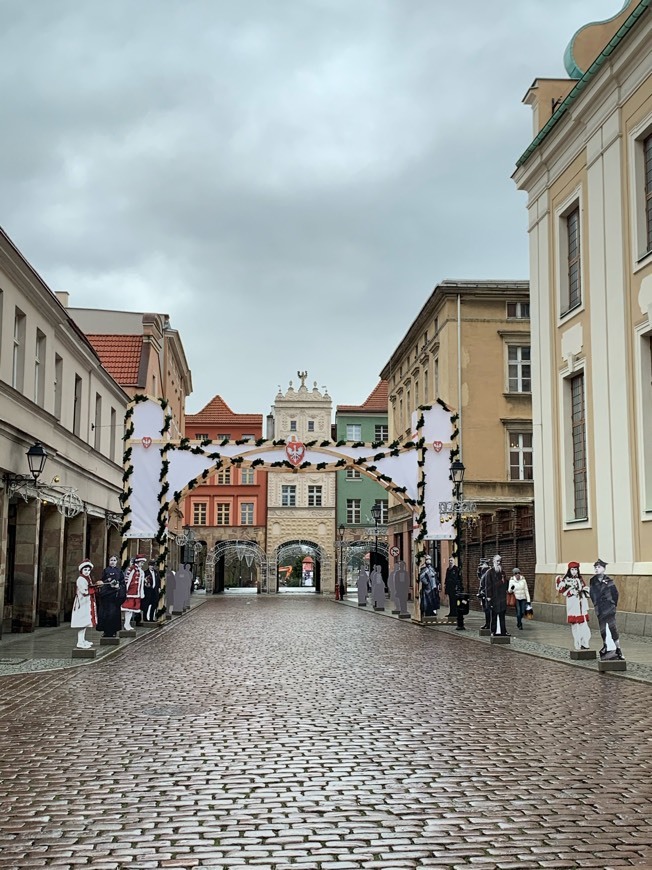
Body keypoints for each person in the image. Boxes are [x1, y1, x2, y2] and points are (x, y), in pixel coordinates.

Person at [589, 558, 624, 660]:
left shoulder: (609, 580)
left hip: (609, 609)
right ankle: (607, 648)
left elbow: (615, 593)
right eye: (595, 567)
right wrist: (596, 604)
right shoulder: (593, 581)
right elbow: (592, 594)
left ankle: (618, 649)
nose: (596, 569)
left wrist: (613, 605)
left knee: (613, 629)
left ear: (604, 569)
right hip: (600, 609)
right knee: (603, 630)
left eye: (599, 567)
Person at [555, 561, 591, 650]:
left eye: (576, 569)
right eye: (572, 569)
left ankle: (585, 643)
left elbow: (584, 588)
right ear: (569, 570)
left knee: (584, 624)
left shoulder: (580, 579)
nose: (574, 571)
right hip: (573, 603)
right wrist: (571, 591)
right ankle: (577, 644)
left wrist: (585, 591)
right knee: (575, 624)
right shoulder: (566, 580)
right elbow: (562, 590)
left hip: (581, 604)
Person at [96, 555, 126, 638]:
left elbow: (123, 583)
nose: (112, 562)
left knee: (114, 614)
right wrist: (103, 584)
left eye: (114, 560)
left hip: (115, 597)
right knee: (106, 614)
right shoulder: (105, 570)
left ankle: (113, 631)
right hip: (106, 596)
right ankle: (106, 631)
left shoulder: (119, 571)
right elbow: (102, 581)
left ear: (116, 562)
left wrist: (119, 586)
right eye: (111, 560)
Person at [71, 560, 97, 648]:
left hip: (86, 603)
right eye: (85, 569)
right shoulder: (81, 579)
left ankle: (82, 640)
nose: (87, 572)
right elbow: (84, 591)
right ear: (81, 570)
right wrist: (93, 589)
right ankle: (80, 642)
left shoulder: (88, 578)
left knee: (85, 623)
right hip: (81, 604)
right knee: (82, 623)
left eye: (88, 570)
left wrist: (94, 586)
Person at [484, 553, 509, 637]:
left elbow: (505, 584)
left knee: (502, 615)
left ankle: (503, 631)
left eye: (500, 561)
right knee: (494, 615)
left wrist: (506, 584)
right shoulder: (490, 572)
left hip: (502, 597)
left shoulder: (503, 572)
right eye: (497, 561)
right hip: (494, 597)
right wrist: (488, 597)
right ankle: (493, 631)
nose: (499, 563)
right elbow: (488, 585)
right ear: (494, 562)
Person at [122, 554, 146, 631]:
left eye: (143, 562)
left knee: (132, 609)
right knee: (128, 609)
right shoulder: (132, 569)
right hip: (130, 592)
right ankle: (126, 624)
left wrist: (141, 592)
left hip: (137, 593)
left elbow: (141, 584)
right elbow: (127, 580)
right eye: (141, 562)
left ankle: (128, 624)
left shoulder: (141, 571)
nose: (142, 564)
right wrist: (126, 590)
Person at [477, 559, 491, 629]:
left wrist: (483, 592)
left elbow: (488, 585)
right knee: (485, 610)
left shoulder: (488, 572)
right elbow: (480, 578)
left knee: (487, 610)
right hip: (483, 594)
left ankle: (488, 624)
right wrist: (479, 571)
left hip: (486, 594)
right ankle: (487, 623)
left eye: (482, 564)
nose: (480, 565)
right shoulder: (483, 572)